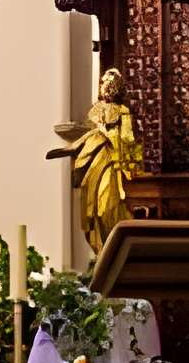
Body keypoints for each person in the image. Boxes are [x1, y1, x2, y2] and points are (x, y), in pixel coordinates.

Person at [48, 66, 143, 256]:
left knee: (106, 207)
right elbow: (88, 136)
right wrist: (73, 147)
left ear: (116, 87)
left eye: (108, 84)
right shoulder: (96, 111)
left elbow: (128, 139)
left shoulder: (123, 112)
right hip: (96, 164)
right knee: (93, 208)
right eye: (103, 84)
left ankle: (112, 249)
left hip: (113, 165)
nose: (104, 87)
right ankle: (101, 250)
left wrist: (108, 134)